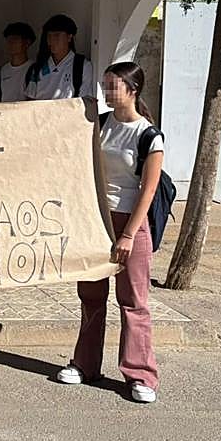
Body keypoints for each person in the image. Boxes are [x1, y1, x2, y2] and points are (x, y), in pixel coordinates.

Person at [57, 62, 162, 404]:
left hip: (131, 221)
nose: (106, 92)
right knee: (91, 295)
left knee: (133, 302)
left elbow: (147, 190)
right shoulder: (101, 124)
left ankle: (140, 375)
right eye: (105, 85)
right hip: (96, 220)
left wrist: (129, 235)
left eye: (113, 86)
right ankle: (85, 364)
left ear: (132, 89)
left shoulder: (149, 136)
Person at [24, 14, 97, 102]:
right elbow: (29, 101)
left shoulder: (82, 66)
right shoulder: (38, 67)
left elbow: (84, 102)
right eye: (49, 36)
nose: (52, 40)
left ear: (69, 37)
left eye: (57, 35)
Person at [0, 22, 36, 103]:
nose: (11, 43)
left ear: (27, 43)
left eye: (15, 39)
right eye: (8, 40)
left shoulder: (36, 70)